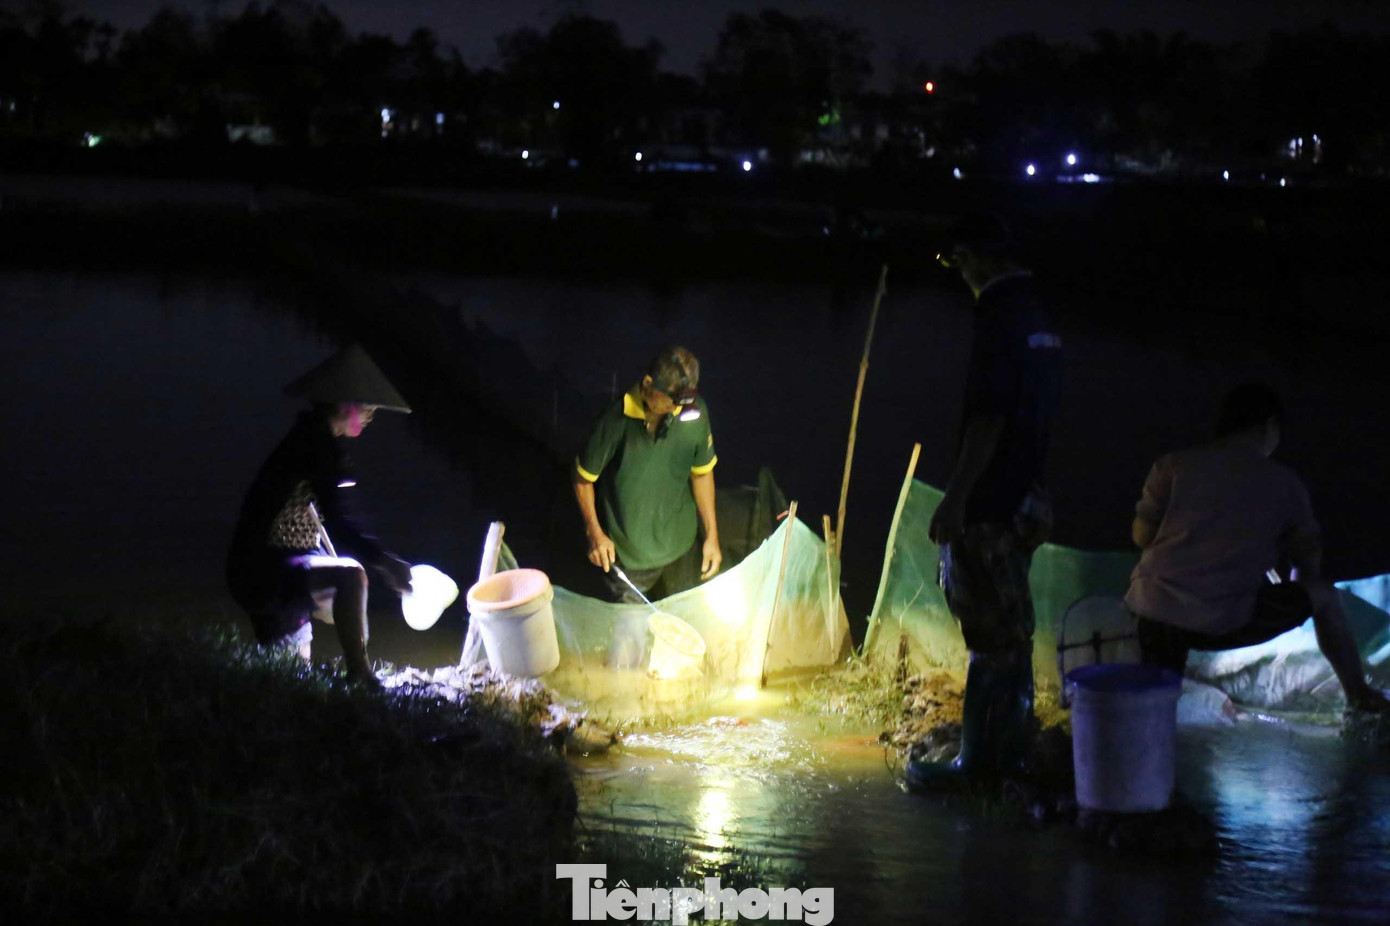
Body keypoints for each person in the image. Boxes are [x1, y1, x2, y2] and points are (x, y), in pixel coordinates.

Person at [906, 215, 1063, 790]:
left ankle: (975, 766)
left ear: (980, 260)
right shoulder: (1040, 318)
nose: (958, 275)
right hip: (1027, 496)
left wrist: (957, 499)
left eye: (958, 263)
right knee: (1015, 629)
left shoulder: (998, 316)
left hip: (992, 504)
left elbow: (989, 418)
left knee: (987, 632)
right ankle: (1013, 753)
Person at [1127, 383, 1390, 713]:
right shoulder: (1286, 485)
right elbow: (1308, 568)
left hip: (1156, 612)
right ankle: (1359, 695)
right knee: (1323, 595)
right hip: (1225, 619)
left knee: (1154, 710)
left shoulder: (1171, 466)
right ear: (1270, 426)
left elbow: (1141, 537)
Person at [226, 344, 414, 688]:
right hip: (264, 567)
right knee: (350, 575)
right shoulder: (314, 445)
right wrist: (385, 562)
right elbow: (340, 523)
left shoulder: (312, 440)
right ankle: (361, 675)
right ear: (346, 404)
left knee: (291, 677)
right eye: (368, 407)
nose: (371, 416)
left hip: (279, 564)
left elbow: (325, 518)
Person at [573, 346, 721, 604]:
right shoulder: (615, 419)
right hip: (630, 561)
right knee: (629, 634)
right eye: (671, 400)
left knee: (685, 626)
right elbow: (582, 478)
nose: (677, 409)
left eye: (684, 402)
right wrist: (594, 532)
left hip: (683, 550)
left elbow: (702, 473)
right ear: (648, 383)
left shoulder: (693, 413)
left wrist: (712, 536)